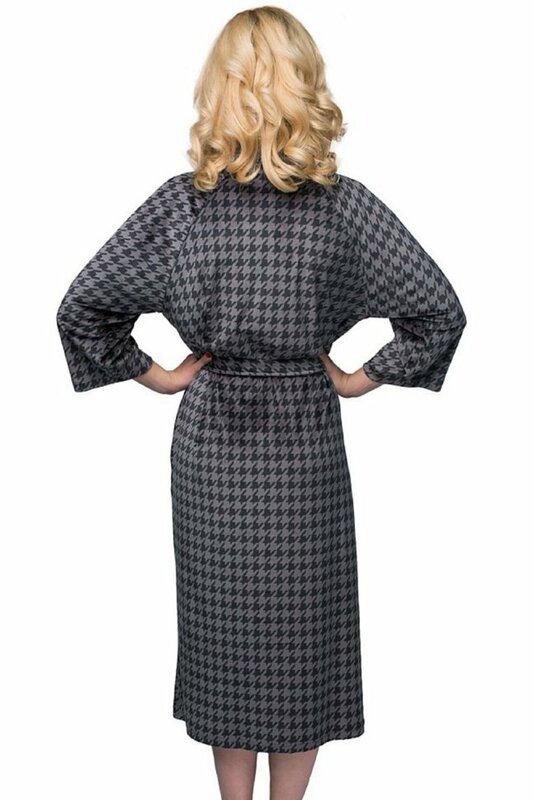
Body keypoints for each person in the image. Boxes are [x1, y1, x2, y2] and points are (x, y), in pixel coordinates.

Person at [56, 6, 467, 800]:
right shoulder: (344, 207)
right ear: (304, 84)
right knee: (300, 641)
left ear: (221, 89)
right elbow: (438, 312)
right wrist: (357, 377)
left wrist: (157, 374)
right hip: (304, 438)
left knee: (228, 642)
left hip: (212, 439)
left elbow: (83, 309)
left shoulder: (181, 206)